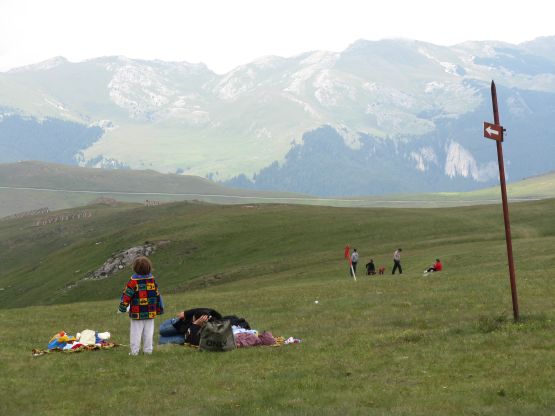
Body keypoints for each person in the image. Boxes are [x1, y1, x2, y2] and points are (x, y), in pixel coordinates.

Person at [118, 256, 164, 355]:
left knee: (135, 333)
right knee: (149, 332)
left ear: (135, 268)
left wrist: (123, 306)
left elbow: (127, 294)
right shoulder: (152, 280)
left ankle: (134, 352)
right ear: (149, 267)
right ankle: (148, 351)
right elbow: (156, 294)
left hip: (136, 312)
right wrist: (158, 308)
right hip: (150, 311)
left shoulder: (133, 281)